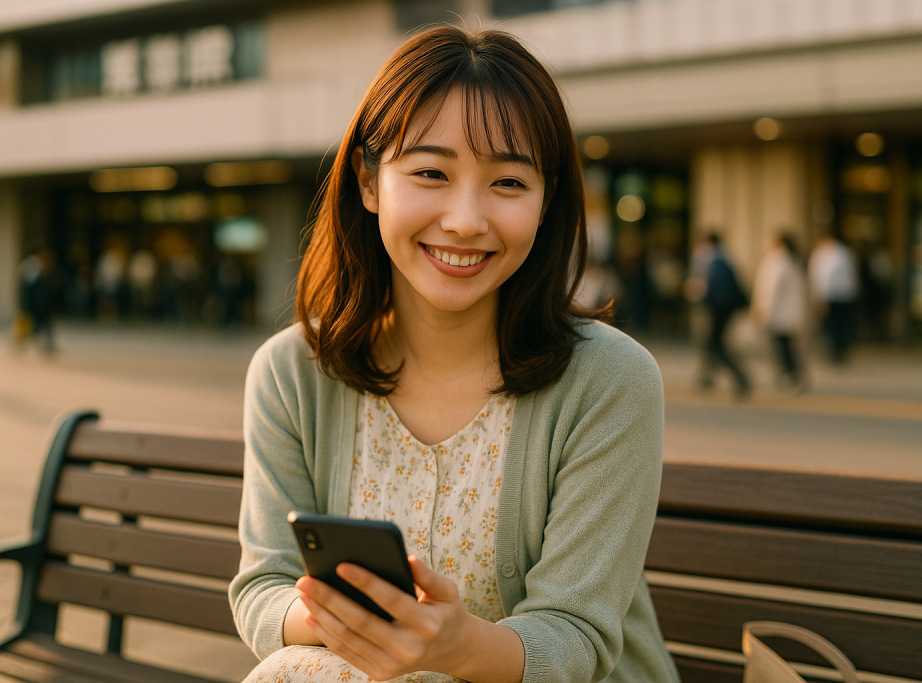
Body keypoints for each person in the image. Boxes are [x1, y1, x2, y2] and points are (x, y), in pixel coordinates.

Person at [230, 26, 680, 683]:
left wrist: (453, 646)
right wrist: (361, 622)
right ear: (368, 180)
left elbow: (576, 633)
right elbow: (263, 586)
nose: (466, 219)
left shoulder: (611, 381)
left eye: (507, 182)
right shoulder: (291, 373)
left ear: (546, 199)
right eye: (431, 173)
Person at [696, 233, 751, 398]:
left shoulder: (716, 261)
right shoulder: (725, 258)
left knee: (715, 344)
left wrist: (703, 299)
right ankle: (706, 376)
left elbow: (715, 288)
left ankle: (741, 378)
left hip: (719, 308)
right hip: (724, 307)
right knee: (711, 342)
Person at [751, 233, 807, 390]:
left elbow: (771, 289)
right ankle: (792, 374)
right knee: (786, 346)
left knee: (782, 348)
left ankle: (790, 374)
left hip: (778, 313)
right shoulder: (793, 261)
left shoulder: (777, 262)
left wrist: (763, 308)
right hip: (787, 313)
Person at [809, 229, 858, 363]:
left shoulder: (827, 254)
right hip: (844, 295)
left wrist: (820, 297)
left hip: (832, 295)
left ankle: (836, 351)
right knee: (839, 325)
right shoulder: (845, 253)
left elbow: (824, 278)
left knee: (833, 325)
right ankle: (838, 350)